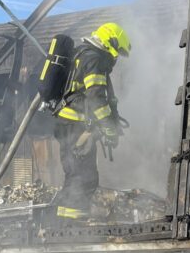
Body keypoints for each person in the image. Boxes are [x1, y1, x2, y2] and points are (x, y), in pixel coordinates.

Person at [52, 22, 131, 223]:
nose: (116, 58)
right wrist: (107, 127)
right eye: (117, 52)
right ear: (109, 43)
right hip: (75, 127)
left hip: (71, 126)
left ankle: (65, 223)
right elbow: (96, 97)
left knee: (75, 175)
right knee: (83, 177)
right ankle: (72, 227)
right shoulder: (94, 59)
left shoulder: (84, 55)